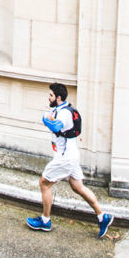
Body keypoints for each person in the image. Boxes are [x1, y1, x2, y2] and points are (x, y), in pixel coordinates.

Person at [26, 82, 113, 238]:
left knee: (44, 183)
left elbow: (55, 126)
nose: (49, 97)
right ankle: (102, 217)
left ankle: (45, 221)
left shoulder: (64, 113)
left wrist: (45, 118)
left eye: (51, 95)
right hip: (71, 155)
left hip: (65, 157)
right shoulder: (63, 109)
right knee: (77, 186)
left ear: (58, 97)